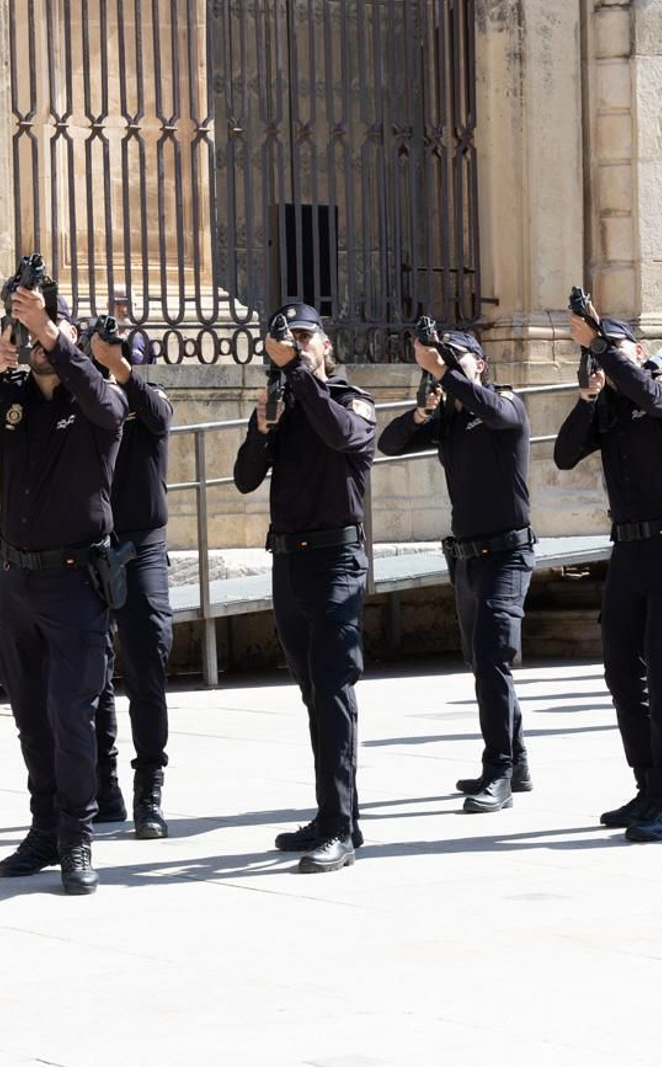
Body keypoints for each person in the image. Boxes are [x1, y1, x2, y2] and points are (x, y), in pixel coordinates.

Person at [0, 287, 127, 895]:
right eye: (25, 332)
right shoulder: (9, 395)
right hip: (16, 582)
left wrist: (54, 337)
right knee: (30, 718)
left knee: (72, 716)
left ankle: (76, 838)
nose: (36, 344)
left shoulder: (96, 396)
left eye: (46, 331)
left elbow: (110, 408)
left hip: (74, 582)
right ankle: (43, 829)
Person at [233, 302, 376, 873]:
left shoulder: (348, 398)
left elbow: (345, 437)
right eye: (287, 338)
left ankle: (339, 828)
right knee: (314, 694)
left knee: (335, 692)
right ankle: (337, 815)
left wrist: (294, 373)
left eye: (305, 336)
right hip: (288, 562)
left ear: (326, 345)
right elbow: (245, 479)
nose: (295, 344)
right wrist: (263, 433)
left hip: (337, 561)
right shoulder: (284, 403)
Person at [555, 305, 662, 843]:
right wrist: (588, 398)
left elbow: (643, 391)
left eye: (613, 348)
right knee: (621, 673)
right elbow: (567, 456)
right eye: (595, 350)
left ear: (637, 353)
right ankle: (646, 787)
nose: (601, 358)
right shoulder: (612, 407)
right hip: (630, 552)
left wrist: (605, 350)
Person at [378, 327, 534, 814]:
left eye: (458, 357)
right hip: (466, 556)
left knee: (492, 659)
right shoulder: (448, 417)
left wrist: (445, 368)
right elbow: (390, 444)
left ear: (479, 365)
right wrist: (421, 410)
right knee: (483, 662)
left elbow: (490, 409)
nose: (447, 364)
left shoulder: (505, 404)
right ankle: (518, 760)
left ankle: (500, 770)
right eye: (443, 357)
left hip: (506, 554)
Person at [89, 305, 176, 839]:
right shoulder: (92, 406)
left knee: (147, 667)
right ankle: (105, 786)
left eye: (127, 365)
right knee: (91, 675)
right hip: (93, 546)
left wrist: (121, 369)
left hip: (142, 547)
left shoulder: (152, 403)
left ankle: (150, 789)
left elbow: (158, 414)